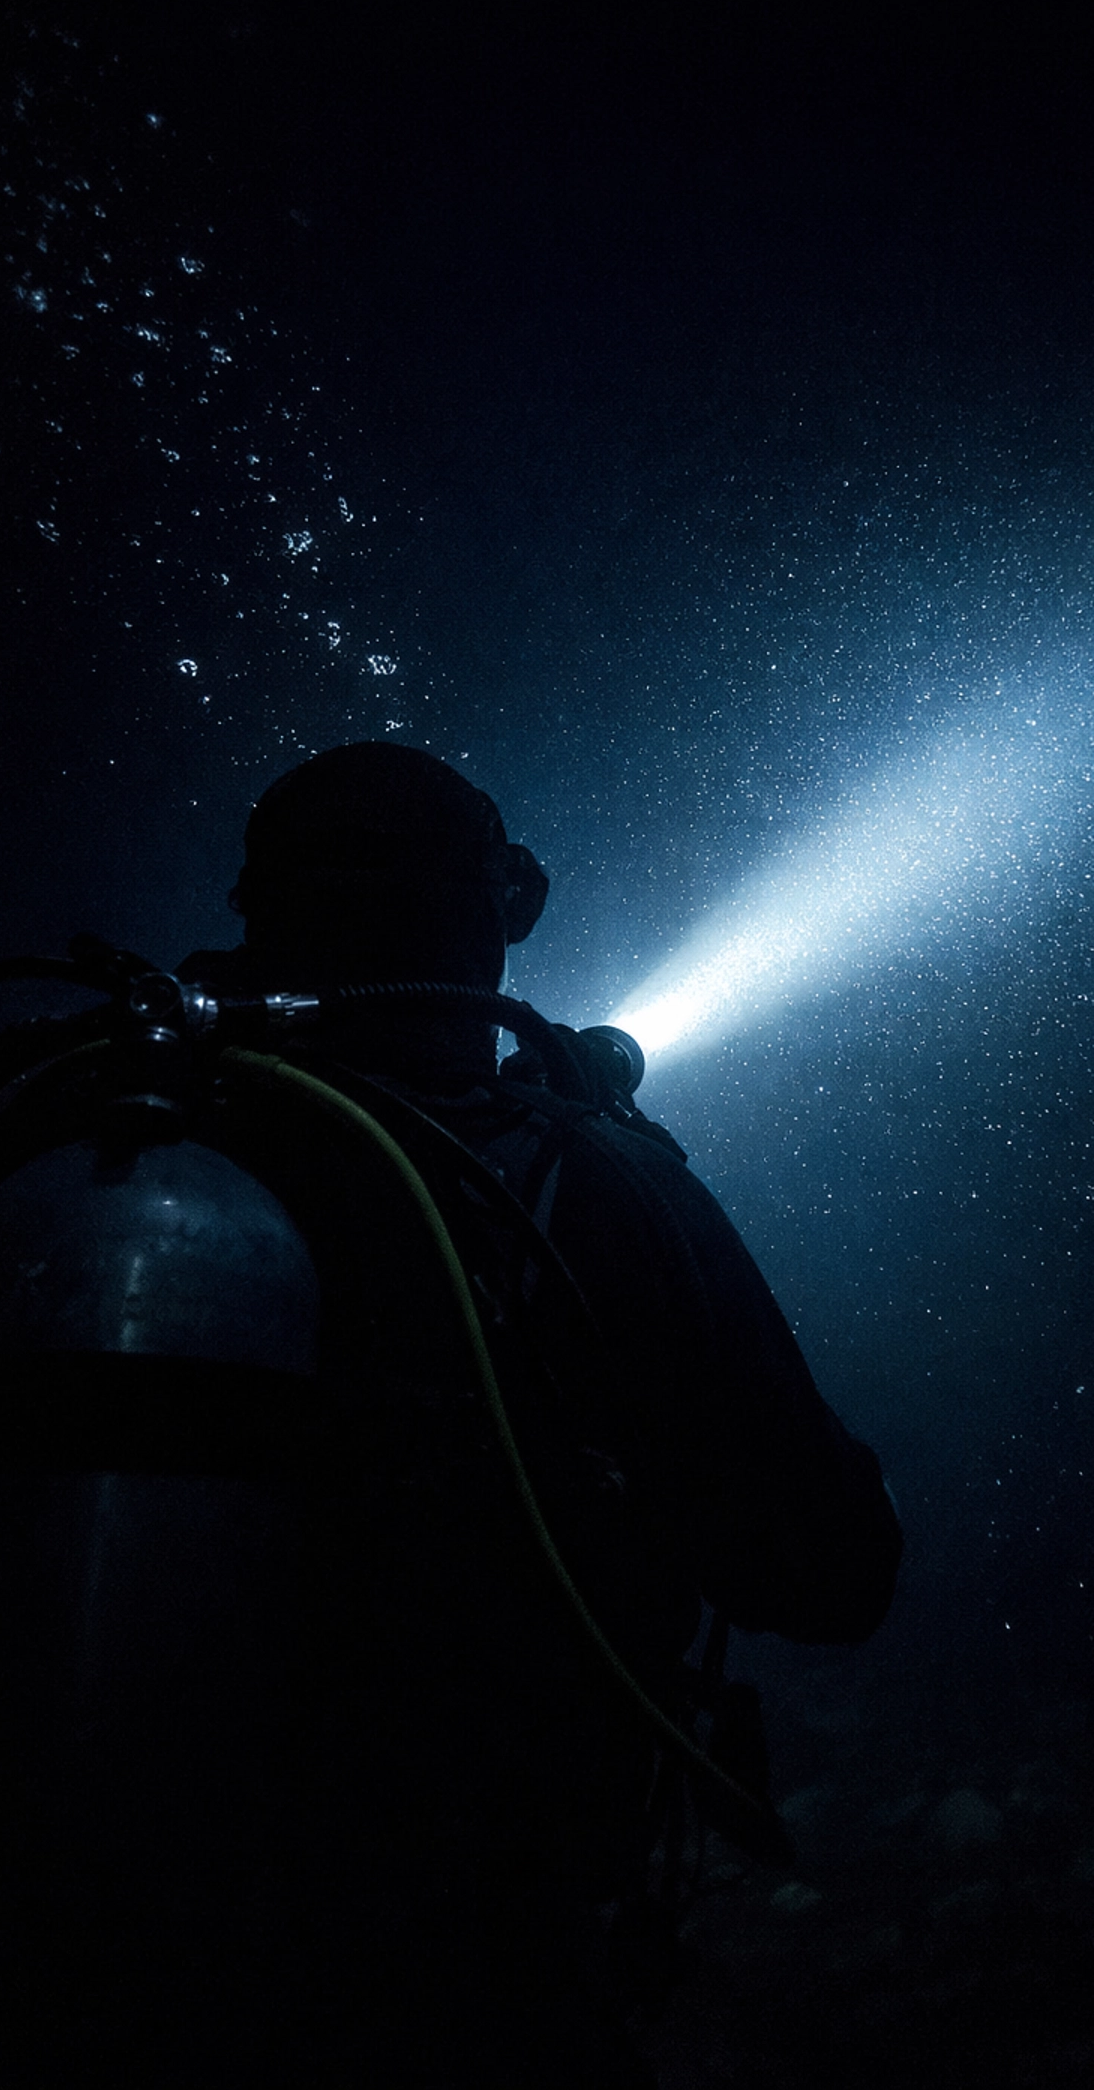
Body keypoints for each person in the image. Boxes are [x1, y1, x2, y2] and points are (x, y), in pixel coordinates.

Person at [172, 740, 902, 2086]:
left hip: (107, 1942)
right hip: (471, 1963)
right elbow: (833, 1568)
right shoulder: (590, 1184)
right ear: (496, 907)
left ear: (257, 911)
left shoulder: (121, 1133)